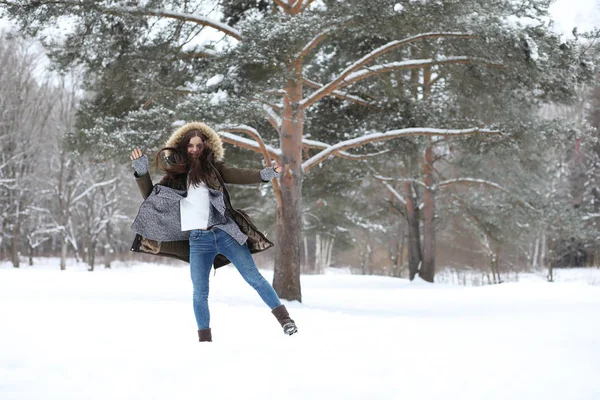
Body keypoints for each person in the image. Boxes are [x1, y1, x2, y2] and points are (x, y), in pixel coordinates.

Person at [129, 122, 297, 342]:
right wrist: (141, 172)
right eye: (190, 145)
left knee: (254, 278)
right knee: (200, 293)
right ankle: (205, 342)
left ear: (206, 146)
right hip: (198, 241)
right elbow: (152, 198)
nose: (195, 150)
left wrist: (265, 174)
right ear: (182, 147)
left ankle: (286, 320)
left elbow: (240, 174)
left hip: (225, 233)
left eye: (199, 145)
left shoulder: (214, 169)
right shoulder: (174, 177)